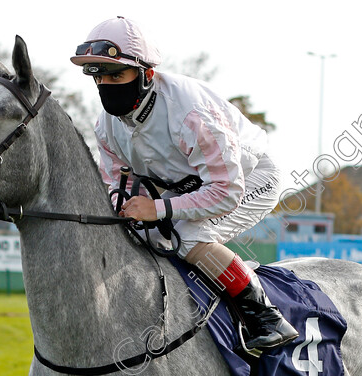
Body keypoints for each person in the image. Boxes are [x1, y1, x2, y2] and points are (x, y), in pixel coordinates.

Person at [71, 16, 298, 351]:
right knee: (138, 234)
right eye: (99, 76)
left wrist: (158, 208)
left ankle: (266, 316)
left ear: (147, 74)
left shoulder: (190, 113)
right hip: (192, 185)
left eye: (116, 74)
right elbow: (118, 185)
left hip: (248, 177)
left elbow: (225, 192)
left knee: (190, 236)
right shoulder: (106, 126)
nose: (106, 84)